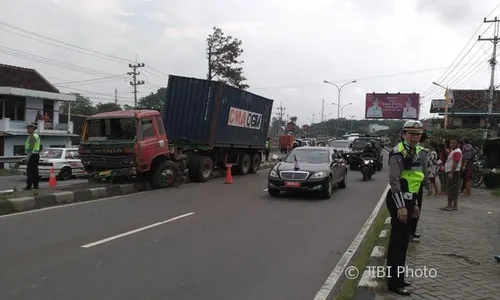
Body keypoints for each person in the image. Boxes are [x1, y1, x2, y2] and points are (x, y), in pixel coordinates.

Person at [385, 120, 427, 296]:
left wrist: (415, 203)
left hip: (410, 201)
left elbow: (416, 181)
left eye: (417, 135)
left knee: (403, 242)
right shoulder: (397, 153)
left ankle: (398, 278)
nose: (415, 137)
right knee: (398, 242)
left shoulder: (419, 153)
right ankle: (394, 283)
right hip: (398, 200)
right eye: (411, 134)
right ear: (403, 134)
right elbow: (394, 181)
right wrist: (401, 207)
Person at [442, 139, 462, 211]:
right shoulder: (453, 151)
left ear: (457, 144)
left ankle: (450, 205)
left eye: (453, 143)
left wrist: (451, 173)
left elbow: (455, 162)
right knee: (454, 189)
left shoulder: (457, 152)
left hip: (453, 172)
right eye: (450, 143)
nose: (451, 144)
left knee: (451, 189)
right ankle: (454, 205)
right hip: (453, 171)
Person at [24, 124, 41, 190]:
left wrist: (27, 158)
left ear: (32, 129)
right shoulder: (36, 136)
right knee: (35, 171)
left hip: (32, 155)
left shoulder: (32, 136)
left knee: (30, 171)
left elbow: (30, 148)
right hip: (35, 155)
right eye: (27, 128)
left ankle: (29, 186)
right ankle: (36, 186)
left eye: (29, 128)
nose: (27, 130)